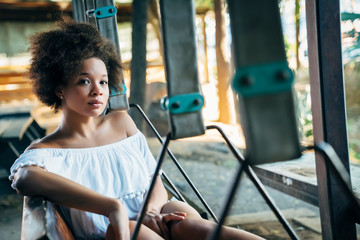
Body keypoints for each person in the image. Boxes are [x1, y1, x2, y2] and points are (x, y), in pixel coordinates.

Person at [9, 19, 263, 240]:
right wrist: (112, 207)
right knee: (132, 229)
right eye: (84, 81)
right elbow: (23, 179)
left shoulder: (121, 122)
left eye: (104, 81)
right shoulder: (48, 151)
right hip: (115, 232)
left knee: (187, 223)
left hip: (157, 212)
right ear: (59, 88)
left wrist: (150, 213)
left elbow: (154, 180)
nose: (98, 90)